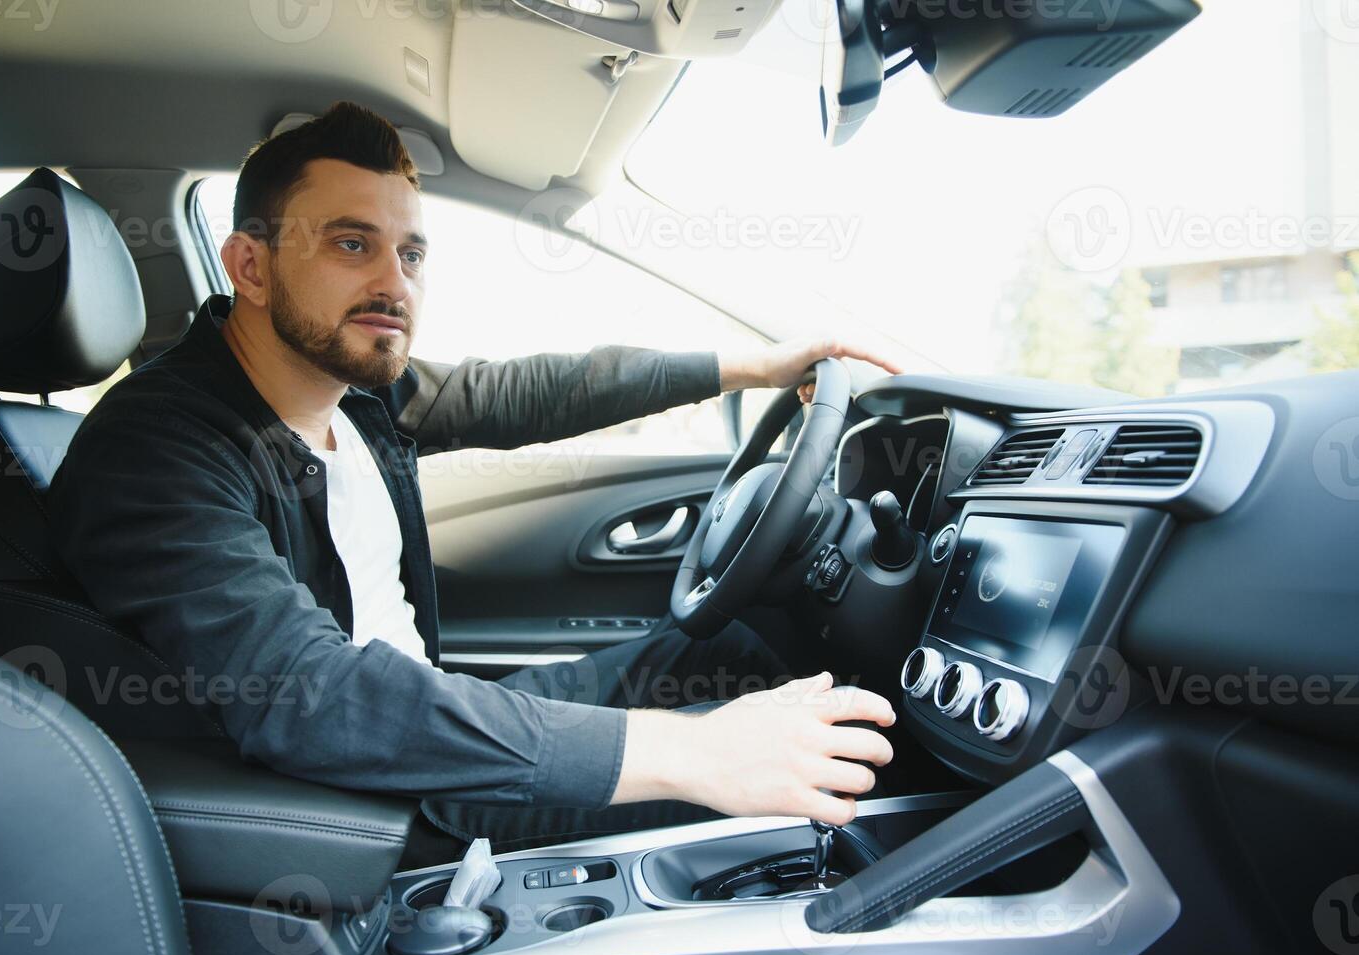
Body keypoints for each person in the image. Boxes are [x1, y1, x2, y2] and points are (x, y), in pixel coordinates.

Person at [48, 101, 901, 867]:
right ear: (252, 267)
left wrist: (755, 364)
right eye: (353, 244)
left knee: (742, 648)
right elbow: (308, 696)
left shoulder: (357, 389)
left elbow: (528, 391)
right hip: (380, 798)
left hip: (434, 724)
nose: (394, 283)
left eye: (410, 252)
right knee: (816, 796)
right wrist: (695, 754)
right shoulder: (157, 445)